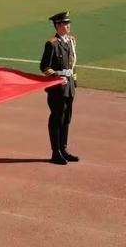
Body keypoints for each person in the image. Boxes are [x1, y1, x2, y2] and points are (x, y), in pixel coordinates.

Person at [40, 11, 79, 165]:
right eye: (64, 23)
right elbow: (44, 66)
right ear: (57, 26)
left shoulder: (71, 41)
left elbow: (72, 64)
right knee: (57, 119)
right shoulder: (52, 44)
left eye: (68, 23)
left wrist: (73, 82)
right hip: (57, 88)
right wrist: (57, 77)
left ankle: (64, 149)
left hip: (69, 86)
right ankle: (55, 152)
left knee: (66, 118)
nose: (67, 26)